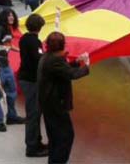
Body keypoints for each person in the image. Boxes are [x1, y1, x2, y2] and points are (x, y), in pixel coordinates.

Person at [37, 32, 90, 164]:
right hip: (55, 105)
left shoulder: (48, 57)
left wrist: (76, 62)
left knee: (54, 137)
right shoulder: (55, 60)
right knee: (66, 136)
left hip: (48, 103)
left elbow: (63, 71)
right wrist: (86, 65)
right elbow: (71, 74)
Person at [0, 9, 26, 132]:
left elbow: (6, 46)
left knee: (12, 91)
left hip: (6, 65)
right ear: (4, 17)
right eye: (8, 15)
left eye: (12, 15)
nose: (11, 17)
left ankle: (11, 116)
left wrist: (20, 50)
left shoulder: (9, 30)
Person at [18, 13, 48, 158]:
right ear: (39, 27)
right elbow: (38, 60)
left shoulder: (24, 39)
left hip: (25, 78)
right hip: (31, 80)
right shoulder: (35, 42)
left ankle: (37, 141)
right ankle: (32, 147)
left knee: (35, 113)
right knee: (33, 114)